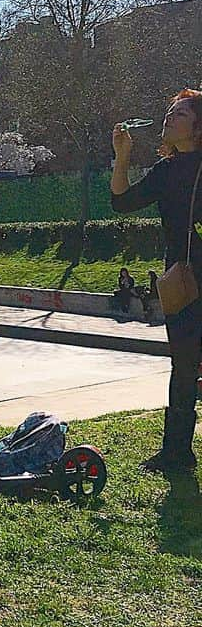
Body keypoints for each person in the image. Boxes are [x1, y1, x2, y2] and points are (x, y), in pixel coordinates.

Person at [111, 89, 202, 473]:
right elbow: (122, 202)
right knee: (182, 366)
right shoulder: (166, 171)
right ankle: (176, 452)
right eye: (169, 111)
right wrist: (123, 157)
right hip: (181, 279)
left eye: (179, 112)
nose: (169, 117)